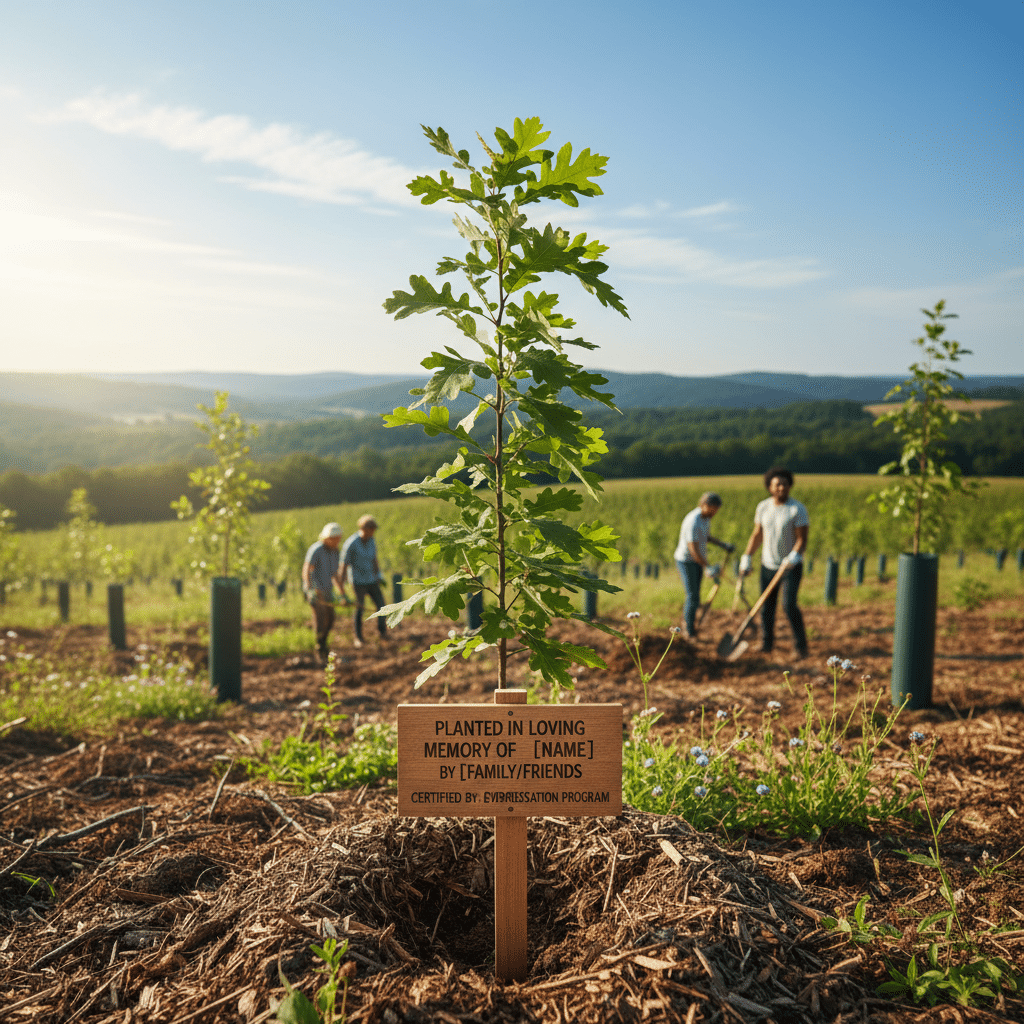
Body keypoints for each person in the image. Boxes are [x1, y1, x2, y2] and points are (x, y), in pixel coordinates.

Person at [739, 467, 809, 659]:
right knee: (767, 606)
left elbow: (802, 539)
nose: (781, 488)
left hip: (790, 566)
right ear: (769, 487)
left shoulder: (797, 509)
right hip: (768, 564)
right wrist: (747, 556)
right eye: (777, 484)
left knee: (788, 605)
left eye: (785, 484)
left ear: (790, 486)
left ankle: (800, 647)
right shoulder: (763, 507)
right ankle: (766, 643)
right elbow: (757, 534)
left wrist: (795, 555)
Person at [674, 492, 735, 638]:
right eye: (713, 509)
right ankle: (689, 630)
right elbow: (693, 549)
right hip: (686, 561)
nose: (715, 512)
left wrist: (722, 545)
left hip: (697, 561)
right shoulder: (693, 521)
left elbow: (705, 536)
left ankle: (691, 625)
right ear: (704, 505)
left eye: (716, 509)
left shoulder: (705, 518)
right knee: (692, 595)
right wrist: (707, 566)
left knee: (696, 596)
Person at [302, 523, 351, 664]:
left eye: (338, 539)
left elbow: (334, 574)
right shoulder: (316, 549)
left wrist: (342, 594)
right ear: (327, 538)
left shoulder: (335, 552)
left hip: (327, 589)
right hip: (316, 591)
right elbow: (307, 569)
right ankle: (319, 649)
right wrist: (310, 589)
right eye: (334, 539)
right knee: (320, 618)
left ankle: (323, 645)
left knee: (330, 618)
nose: (337, 542)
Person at [340, 514, 388, 648]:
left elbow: (374, 559)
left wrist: (378, 575)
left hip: (372, 580)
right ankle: (358, 638)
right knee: (359, 608)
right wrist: (342, 584)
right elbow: (344, 564)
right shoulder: (352, 543)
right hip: (358, 581)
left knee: (381, 605)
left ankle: (383, 632)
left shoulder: (372, 541)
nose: (373, 532)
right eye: (371, 529)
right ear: (364, 528)